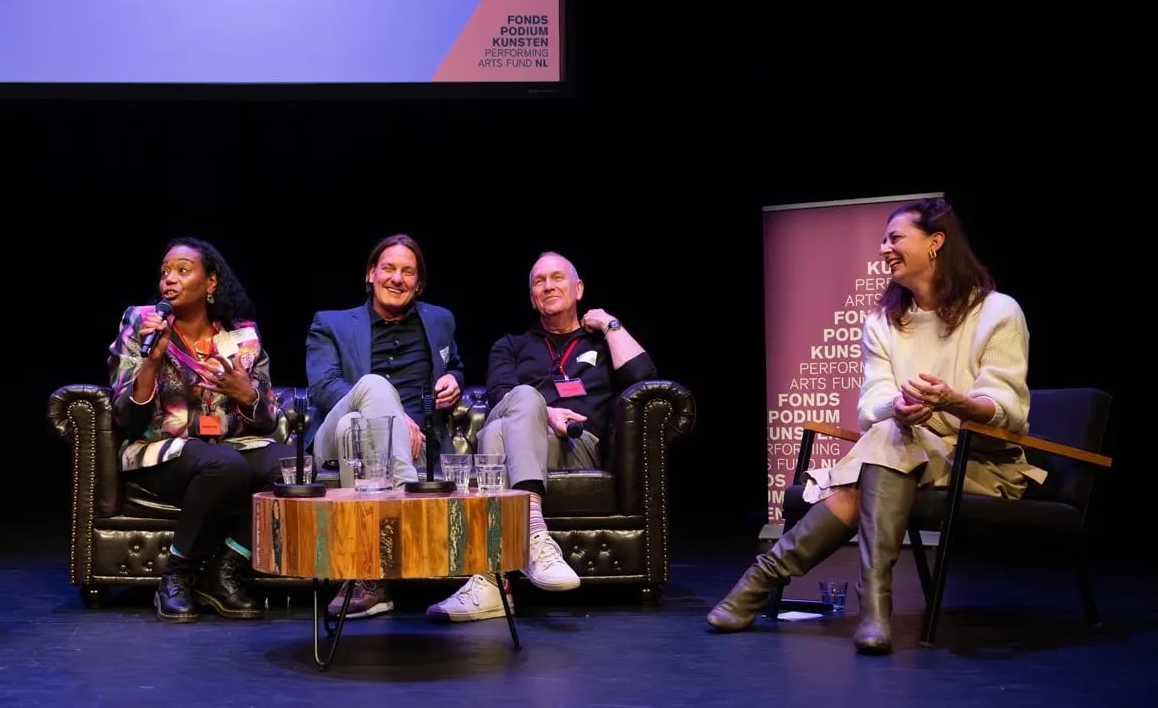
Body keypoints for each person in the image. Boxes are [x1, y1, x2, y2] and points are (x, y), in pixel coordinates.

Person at [706, 197, 1040, 654]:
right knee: (887, 433)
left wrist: (953, 401)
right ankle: (872, 607)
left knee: (878, 454)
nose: (884, 249)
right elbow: (871, 405)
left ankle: (760, 583)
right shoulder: (884, 322)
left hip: (980, 461)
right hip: (907, 451)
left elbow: (1008, 408)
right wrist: (899, 406)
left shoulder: (998, 311)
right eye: (883, 240)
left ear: (936, 242)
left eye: (895, 237)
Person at [425, 251, 655, 622]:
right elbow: (500, 394)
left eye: (557, 278)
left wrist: (610, 324)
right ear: (532, 298)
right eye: (538, 281)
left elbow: (643, 378)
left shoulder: (600, 343)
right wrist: (545, 413)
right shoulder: (512, 345)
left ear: (578, 289)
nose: (548, 286)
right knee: (513, 411)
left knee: (497, 434)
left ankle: (490, 582)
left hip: (575, 446)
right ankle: (532, 537)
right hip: (522, 437)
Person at [108, 237, 291, 624]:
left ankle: (223, 571)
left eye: (182, 270)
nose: (169, 279)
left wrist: (246, 394)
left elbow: (267, 418)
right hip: (161, 449)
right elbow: (127, 417)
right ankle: (174, 577)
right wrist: (151, 362)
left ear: (211, 282)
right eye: (165, 272)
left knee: (291, 465)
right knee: (223, 465)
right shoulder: (142, 323)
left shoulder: (241, 336)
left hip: (230, 446)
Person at [303, 233, 466, 618]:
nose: (397, 278)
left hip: (414, 445)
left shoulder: (440, 320)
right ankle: (405, 507)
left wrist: (455, 380)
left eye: (408, 272)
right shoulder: (331, 323)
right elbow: (324, 387)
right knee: (371, 391)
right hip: (331, 443)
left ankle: (370, 578)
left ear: (419, 284)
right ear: (370, 274)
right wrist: (392, 414)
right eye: (388, 268)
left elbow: (455, 364)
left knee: (355, 428)